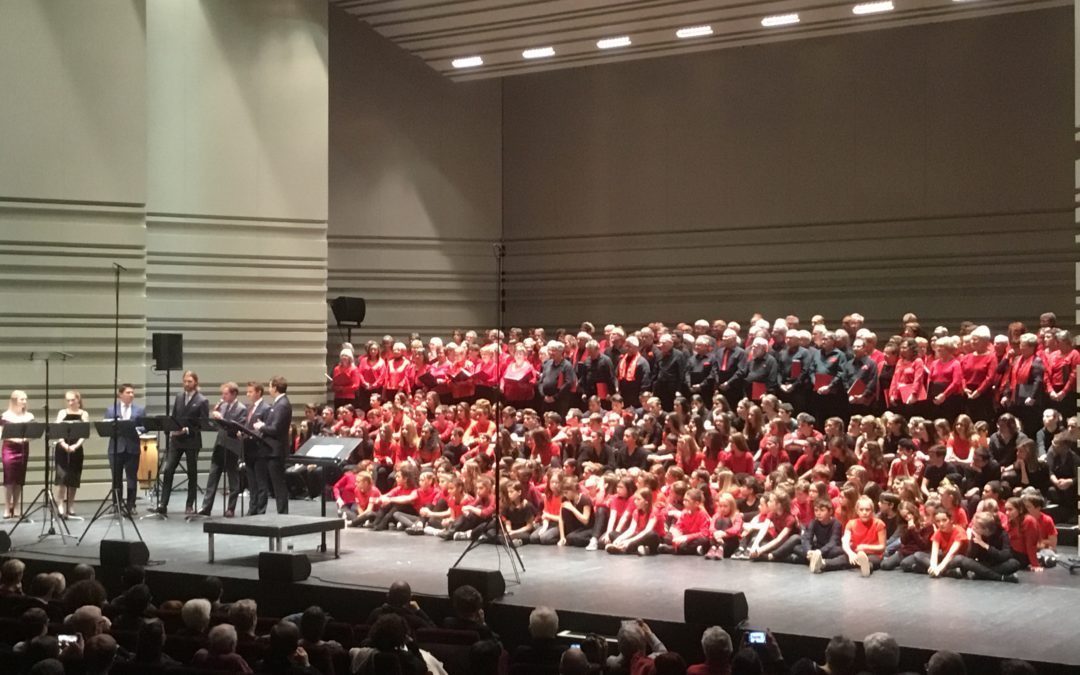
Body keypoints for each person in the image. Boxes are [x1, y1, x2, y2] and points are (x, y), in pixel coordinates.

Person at [155, 370, 209, 515]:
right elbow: (174, 416)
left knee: (192, 473)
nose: (186, 384)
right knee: (168, 470)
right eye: (185, 381)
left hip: (192, 440)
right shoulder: (179, 397)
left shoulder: (202, 400)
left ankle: (189, 504)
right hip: (177, 440)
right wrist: (172, 429)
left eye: (189, 381)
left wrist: (187, 430)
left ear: (195, 382)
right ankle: (163, 503)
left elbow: (203, 424)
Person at [199, 381, 247, 517]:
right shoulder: (223, 405)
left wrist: (222, 418)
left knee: (233, 479)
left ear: (234, 394)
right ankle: (206, 507)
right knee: (213, 476)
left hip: (232, 446)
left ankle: (231, 508)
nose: (223, 396)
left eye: (226, 394)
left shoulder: (241, 409)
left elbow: (236, 427)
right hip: (220, 444)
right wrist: (215, 417)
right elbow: (217, 426)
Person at [253, 376, 292, 514]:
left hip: (276, 451)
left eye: (270, 386)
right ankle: (281, 512)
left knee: (278, 484)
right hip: (271, 450)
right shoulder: (279, 403)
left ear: (275, 388)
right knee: (276, 484)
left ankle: (282, 513)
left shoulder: (282, 404)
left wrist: (261, 426)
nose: (269, 389)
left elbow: (275, 429)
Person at [103, 384, 145, 514]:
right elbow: (106, 427)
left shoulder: (139, 410)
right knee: (116, 478)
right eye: (128, 392)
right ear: (120, 394)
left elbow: (145, 426)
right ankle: (116, 504)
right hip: (116, 448)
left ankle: (131, 505)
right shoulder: (111, 410)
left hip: (132, 447)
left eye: (132, 392)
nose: (131, 395)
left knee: (132, 477)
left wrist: (138, 430)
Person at [53, 390, 89, 519]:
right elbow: (57, 431)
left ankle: (71, 505)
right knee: (62, 478)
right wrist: (64, 445)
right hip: (63, 447)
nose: (70, 402)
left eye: (72, 400)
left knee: (74, 478)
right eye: (67, 400)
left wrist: (75, 446)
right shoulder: (62, 413)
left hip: (76, 448)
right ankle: (60, 504)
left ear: (78, 400)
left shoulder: (84, 414)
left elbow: (84, 434)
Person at [0, 390, 34, 519]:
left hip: (23, 449)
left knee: (19, 479)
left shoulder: (29, 416)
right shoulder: (5, 415)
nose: (25, 401)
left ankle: (16, 506)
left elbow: (33, 433)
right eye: (22, 399)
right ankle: (7, 507)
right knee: (9, 479)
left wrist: (24, 440)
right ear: (14, 400)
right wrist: (16, 439)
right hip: (9, 449)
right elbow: (1, 434)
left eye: (25, 399)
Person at [241, 381, 269, 516]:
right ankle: (252, 508)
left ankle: (260, 510)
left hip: (259, 449)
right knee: (251, 482)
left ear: (258, 392)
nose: (248, 394)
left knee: (261, 482)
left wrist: (249, 433)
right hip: (248, 448)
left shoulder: (266, 408)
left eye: (250, 391)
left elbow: (265, 429)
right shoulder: (249, 408)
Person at [364, 581, 434, 634]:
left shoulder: (376, 613)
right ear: (410, 599)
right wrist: (419, 610)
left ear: (388, 597)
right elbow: (436, 633)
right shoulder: (415, 620)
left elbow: (365, 631)